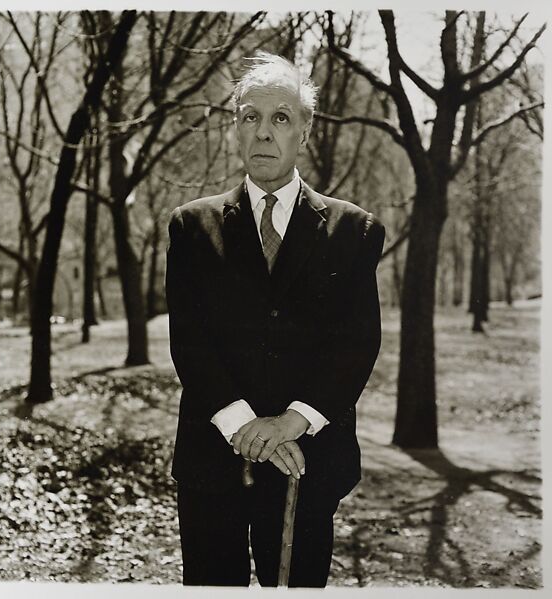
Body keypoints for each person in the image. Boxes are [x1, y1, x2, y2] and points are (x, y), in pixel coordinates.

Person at [165, 51, 385, 587]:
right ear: (235, 129)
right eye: (250, 117)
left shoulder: (353, 230)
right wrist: (243, 427)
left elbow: (356, 343)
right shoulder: (193, 227)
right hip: (212, 460)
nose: (263, 133)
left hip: (306, 463)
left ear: (305, 132)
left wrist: (290, 423)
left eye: (281, 118)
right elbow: (189, 341)